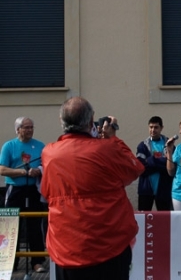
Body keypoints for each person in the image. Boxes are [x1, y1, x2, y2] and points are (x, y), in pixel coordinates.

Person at [40, 97, 144, 280]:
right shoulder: (107, 149)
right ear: (90, 121)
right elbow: (134, 169)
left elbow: (46, 191)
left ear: (61, 122)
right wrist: (113, 139)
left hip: (67, 247)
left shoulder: (49, 153)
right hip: (109, 246)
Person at [0, 117, 47, 273]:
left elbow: (46, 165)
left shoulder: (40, 146)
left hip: (33, 189)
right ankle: (9, 262)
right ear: (18, 129)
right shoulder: (9, 146)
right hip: (15, 189)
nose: (29, 130)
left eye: (31, 127)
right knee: (11, 224)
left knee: (35, 225)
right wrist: (22, 172)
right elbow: (2, 170)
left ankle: (37, 262)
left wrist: (38, 171)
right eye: (26, 127)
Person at [136, 116, 174, 211]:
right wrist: (160, 162)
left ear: (161, 128)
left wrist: (150, 161)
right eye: (151, 127)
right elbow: (140, 168)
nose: (153, 130)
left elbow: (171, 166)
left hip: (164, 190)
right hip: (146, 190)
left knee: (164, 221)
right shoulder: (142, 146)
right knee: (144, 220)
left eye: (156, 127)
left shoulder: (169, 144)